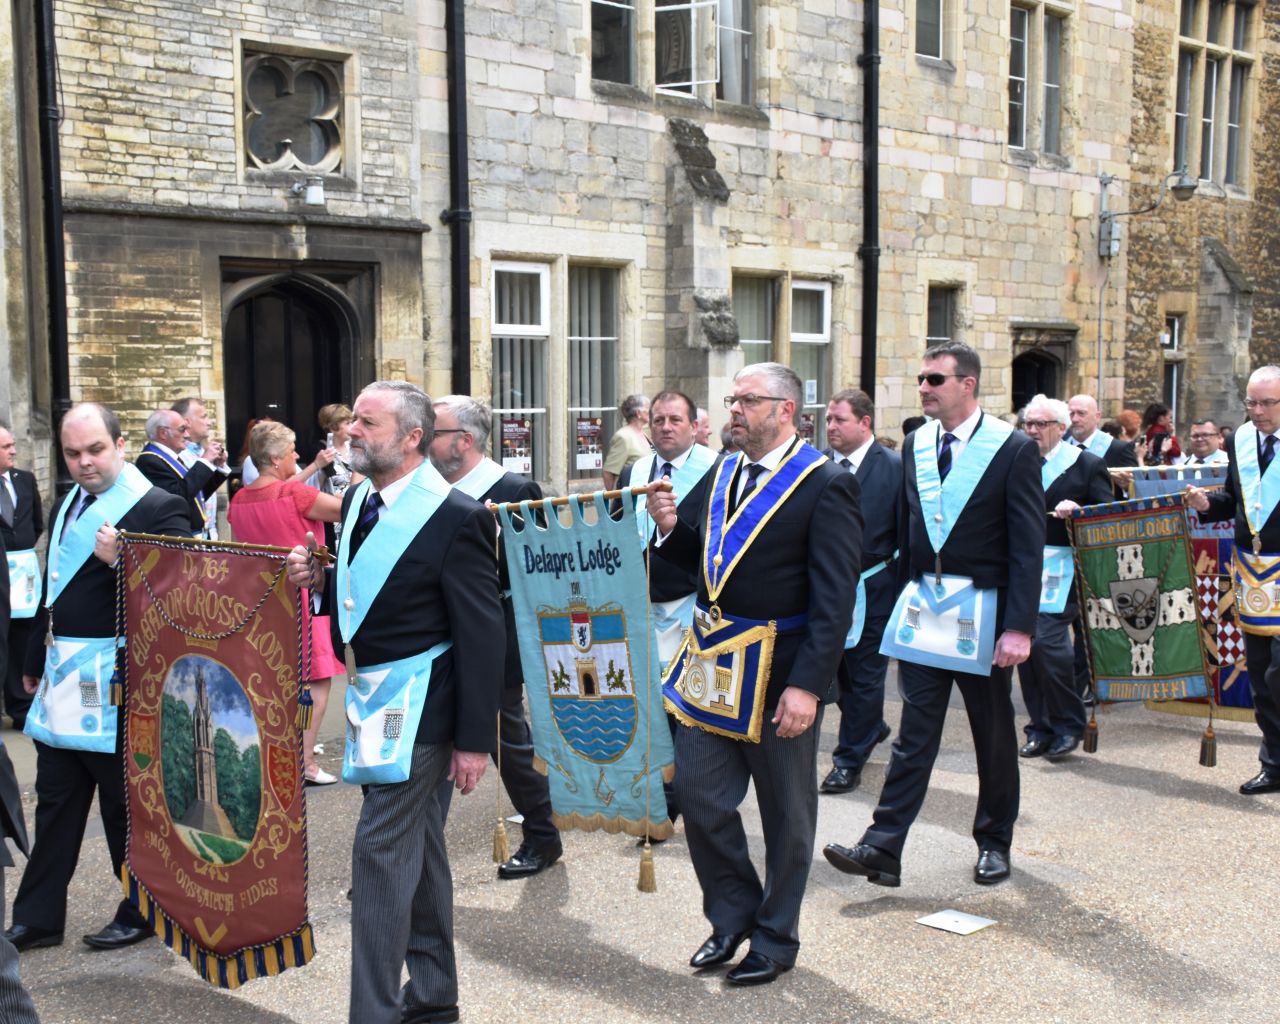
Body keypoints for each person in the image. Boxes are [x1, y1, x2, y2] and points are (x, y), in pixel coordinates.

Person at [286, 381, 504, 1024]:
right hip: (373, 698)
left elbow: (482, 636)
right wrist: (321, 577)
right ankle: (433, 994)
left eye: (368, 422)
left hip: (426, 709)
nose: (352, 430)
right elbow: (373, 585)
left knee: (378, 857)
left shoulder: (459, 516)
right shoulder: (359, 499)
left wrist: (474, 742)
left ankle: (373, 1012)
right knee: (420, 849)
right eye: (353, 419)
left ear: (412, 438)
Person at [648, 362, 861, 985]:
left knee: (786, 814)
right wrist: (669, 529)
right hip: (712, 665)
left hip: (780, 672)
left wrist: (808, 687)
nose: (734, 410)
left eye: (747, 401)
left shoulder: (826, 483)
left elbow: (835, 600)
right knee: (698, 796)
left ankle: (775, 937)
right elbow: (703, 559)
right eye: (732, 400)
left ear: (785, 410)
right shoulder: (724, 470)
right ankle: (734, 915)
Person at [825, 341, 1042, 889]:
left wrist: (1019, 626)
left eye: (934, 379)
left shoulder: (1012, 448)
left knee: (992, 734)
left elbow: (1027, 544)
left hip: (984, 610)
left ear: (967, 384)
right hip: (926, 605)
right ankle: (883, 846)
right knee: (913, 735)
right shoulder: (918, 442)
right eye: (921, 378)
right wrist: (899, 598)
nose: (923, 387)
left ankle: (994, 840)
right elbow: (907, 529)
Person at [5, 403, 189, 954]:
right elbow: (54, 585)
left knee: (122, 805)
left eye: (94, 450)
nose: (84, 462)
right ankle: (38, 917)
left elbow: (182, 593)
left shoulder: (160, 504)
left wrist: (123, 561)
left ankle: (143, 908)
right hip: (64, 674)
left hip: (121, 680)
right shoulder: (69, 500)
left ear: (120, 444)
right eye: (72, 453)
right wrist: (33, 659)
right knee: (56, 803)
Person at [427, 394, 562, 879]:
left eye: (433, 432)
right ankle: (405, 853)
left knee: (507, 742)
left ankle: (543, 834)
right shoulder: (427, 487)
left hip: (492, 633)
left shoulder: (513, 488)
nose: (422, 441)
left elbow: (538, 568)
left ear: (464, 440)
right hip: (432, 631)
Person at [618, 390, 719, 832]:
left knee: (684, 706)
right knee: (647, 706)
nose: (665, 427)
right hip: (640, 601)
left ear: (694, 426)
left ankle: (680, 796)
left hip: (688, 602)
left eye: (675, 419)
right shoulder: (634, 471)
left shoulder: (717, 471)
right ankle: (655, 794)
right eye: (658, 420)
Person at [228, 421, 344, 786]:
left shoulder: (239, 499)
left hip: (261, 600)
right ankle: (304, 762)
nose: (297, 456)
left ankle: (278, 755)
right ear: (276, 458)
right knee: (316, 681)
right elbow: (348, 510)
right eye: (292, 451)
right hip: (303, 595)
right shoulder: (295, 494)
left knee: (275, 681)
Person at [1186, 366, 1280, 796]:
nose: (1257, 412)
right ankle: (1273, 763)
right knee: (1259, 673)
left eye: (1267, 403)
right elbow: (1236, 501)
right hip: (1253, 573)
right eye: (1252, 403)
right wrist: (1209, 504)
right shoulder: (1242, 440)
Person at [1016, 396, 1112, 761]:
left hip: (1064, 567)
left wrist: (1080, 510)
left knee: (1047, 644)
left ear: (1061, 428)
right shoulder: (1016, 460)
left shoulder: (1086, 464)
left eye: (1041, 424)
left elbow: (1106, 514)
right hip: (1022, 565)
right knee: (1023, 647)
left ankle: (1068, 723)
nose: (1033, 431)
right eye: (1028, 424)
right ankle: (1040, 727)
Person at [818, 389, 901, 794]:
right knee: (836, 672)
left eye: (840, 420)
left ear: (865, 423)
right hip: (824, 589)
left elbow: (906, 529)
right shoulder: (816, 465)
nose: (831, 427)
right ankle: (870, 725)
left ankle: (848, 760)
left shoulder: (894, 468)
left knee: (866, 676)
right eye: (828, 420)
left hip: (874, 587)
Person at [0, 426, 43, 729]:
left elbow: (37, 523)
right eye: (6, 447)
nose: (13, 451)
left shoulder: (24, 479)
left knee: (22, 636)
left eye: (13, 444)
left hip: (24, 572)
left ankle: (22, 707)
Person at [136, 409, 228, 536]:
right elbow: (178, 497)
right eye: (182, 429)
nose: (187, 435)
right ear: (163, 433)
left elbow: (196, 493)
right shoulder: (149, 460)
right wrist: (205, 461)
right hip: (178, 536)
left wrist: (217, 466)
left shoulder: (170, 457)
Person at [171, 397, 230, 540]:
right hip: (189, 537)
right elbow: (184, 493)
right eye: (204, 417)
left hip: (209, 534)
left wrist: (218, 466)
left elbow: (203, 493)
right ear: (187, 422)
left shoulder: (201, 451)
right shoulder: (176, 455)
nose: (209, 422)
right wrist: (205, 461)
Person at [602, 394, 651, 488]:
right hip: (629, 494)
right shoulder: (623, 436)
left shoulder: (644, 434)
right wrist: (614, 495)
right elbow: (608, 472)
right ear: (638, 413)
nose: (651, 412)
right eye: (648, 408)